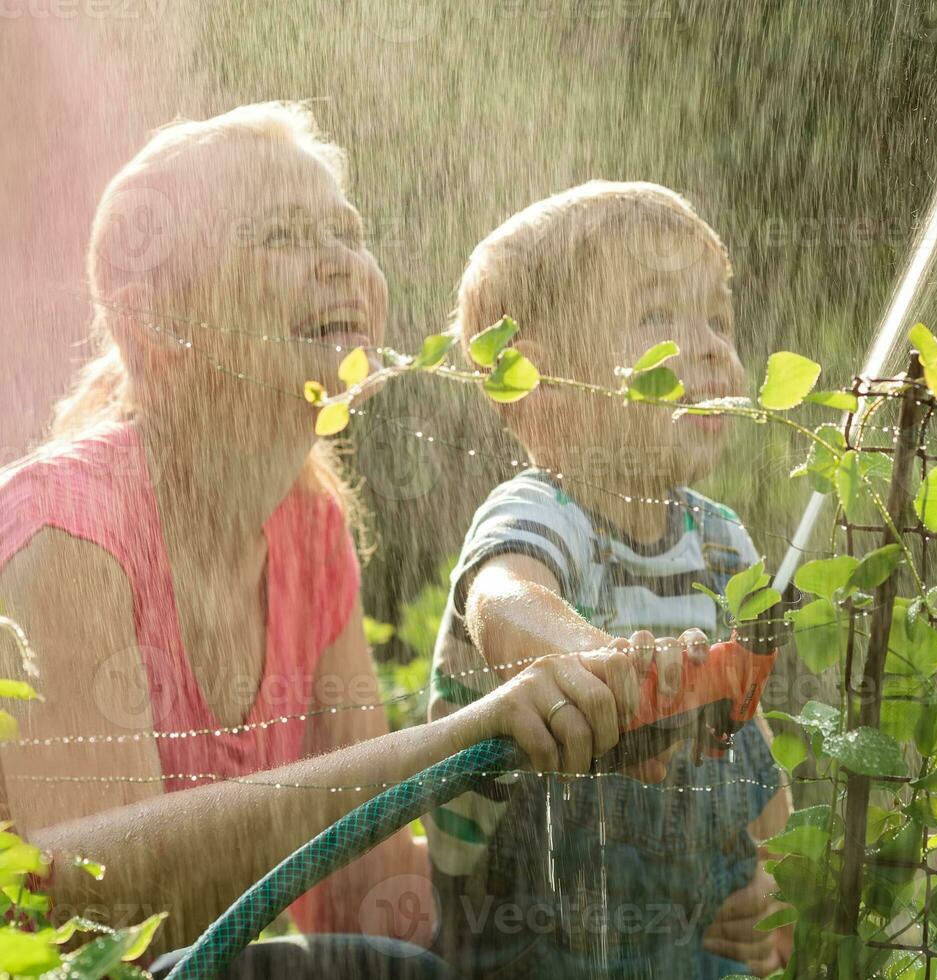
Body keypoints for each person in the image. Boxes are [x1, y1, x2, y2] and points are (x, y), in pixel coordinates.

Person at [0, 104, 647, 976]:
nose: (342, 261)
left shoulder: (310, 532)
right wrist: (458, 739)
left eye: (347, 232)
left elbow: (358, 886)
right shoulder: (66, 531)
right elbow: (86, 904)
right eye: (281, 235)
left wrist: (633, 893)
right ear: (159, 321)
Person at [425, 181, 794, 979]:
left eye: (718, 320)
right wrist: (597, 664)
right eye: (659, 315)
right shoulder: (540, 513)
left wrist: (772, 882)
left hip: (689, 933)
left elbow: (750, 745)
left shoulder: (721, 542)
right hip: (524, 942)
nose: (708, 348)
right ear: (534, 383)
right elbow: (504, 605)